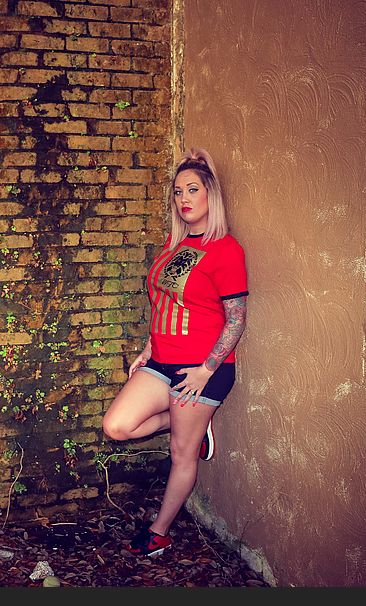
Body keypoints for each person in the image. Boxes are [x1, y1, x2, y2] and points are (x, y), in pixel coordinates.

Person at [101, 148, 248, 556]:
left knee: (181, 454)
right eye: (178, 191)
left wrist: (205, 370)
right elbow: (164, 300)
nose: (184, 199)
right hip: (162, 361)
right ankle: (194, 430)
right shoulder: (174, 244)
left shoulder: (226, 250)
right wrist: (149, 348)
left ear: (210, 195)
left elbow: (236, 320)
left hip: (201, 369)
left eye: (193, 189)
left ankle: (160, 533)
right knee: (117, 426)